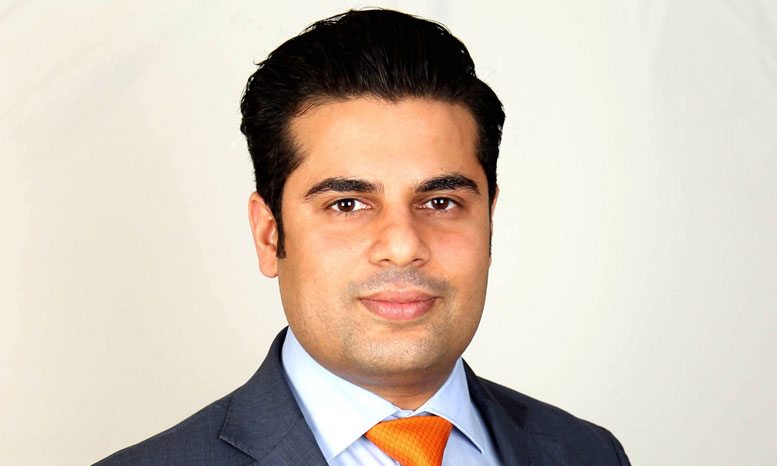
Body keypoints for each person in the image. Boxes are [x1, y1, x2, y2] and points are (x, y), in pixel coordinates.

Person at [95, 8, 630, 466]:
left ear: (488, 221)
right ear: (269, 235)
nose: (402, 245)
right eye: (347, 204)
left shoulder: (588, 452)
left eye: (440, 202)